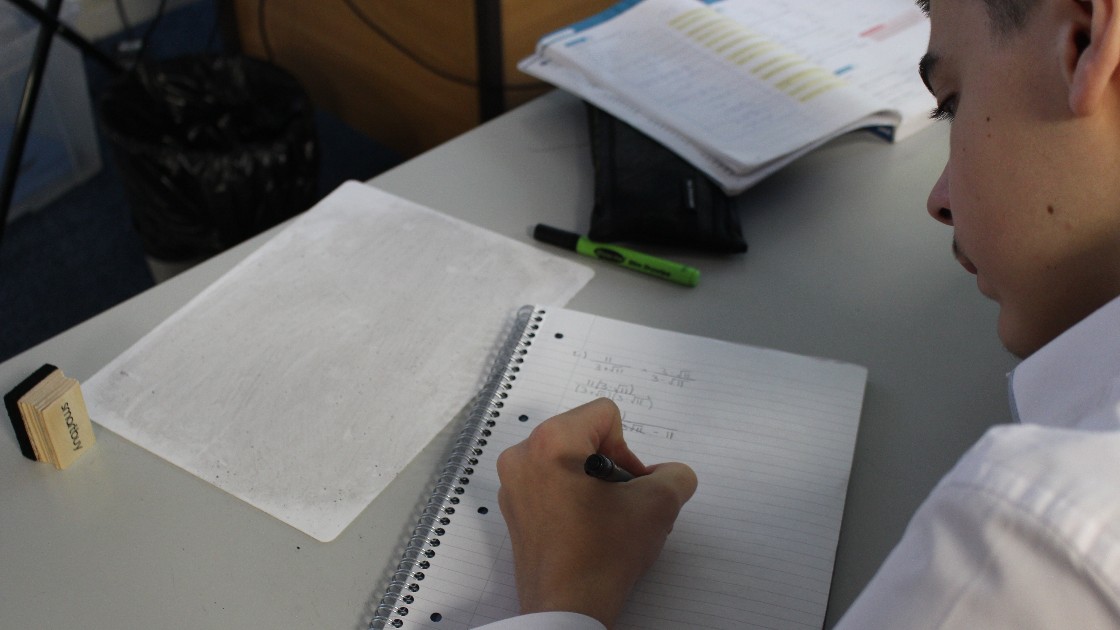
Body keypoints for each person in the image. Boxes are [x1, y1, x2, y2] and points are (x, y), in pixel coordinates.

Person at [480, 0, 1120, 628]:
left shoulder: (1037, 549)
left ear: (1085, 39)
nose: (939, 201)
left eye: (951, 104)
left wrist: (561, 603)